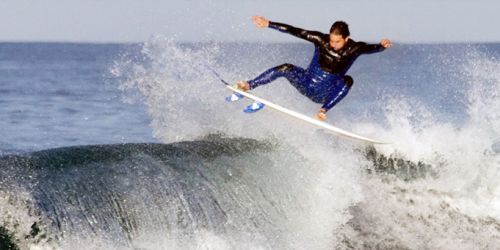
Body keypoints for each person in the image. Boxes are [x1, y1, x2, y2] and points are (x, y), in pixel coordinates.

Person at [236, 16, 392, 120]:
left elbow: (372, 48)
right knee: (285, 68)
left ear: (346, 39)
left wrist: (382, 46)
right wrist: (270, 24)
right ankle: (249, 85)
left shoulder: (355, 48)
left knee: (348, 80)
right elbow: (296, 31)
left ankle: (322, 112)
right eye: (331, 40)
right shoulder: (320, 40)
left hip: (324, 94)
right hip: (305, 82)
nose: (333, 45)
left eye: (337, 42)